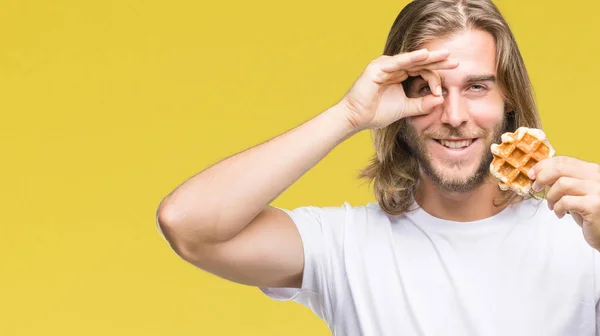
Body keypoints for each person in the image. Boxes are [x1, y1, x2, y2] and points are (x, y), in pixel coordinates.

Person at [156, 0, 600, 334]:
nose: (453, 114)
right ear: (397, 105)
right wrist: (348, 115)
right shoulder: (345, 247)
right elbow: (187, 224)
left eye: (477, 87)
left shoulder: (584, 237)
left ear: (509, 103)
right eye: (427, 88)